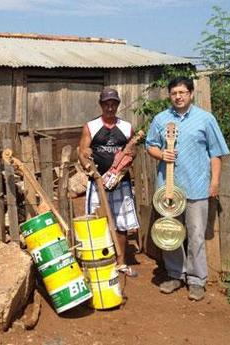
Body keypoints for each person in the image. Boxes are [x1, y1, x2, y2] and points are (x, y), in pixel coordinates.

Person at [145, 76, 230, 301]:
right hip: (169, 187)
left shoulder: (205, 119)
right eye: (174, 93)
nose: (178, 97)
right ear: (170, 95)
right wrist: (161, 153)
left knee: (196, 234)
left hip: (198, 185)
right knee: (170, 232)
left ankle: (196, 280)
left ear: (191, 94)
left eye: (182, 92)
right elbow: (150, 145)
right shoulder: (161, 119)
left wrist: (214, 182)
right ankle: (175, 274)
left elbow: (216, 153)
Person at [78, 88, 140, 277]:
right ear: (101, 105)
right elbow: (82, 151)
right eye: (106, 103)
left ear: (118, 105)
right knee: (96, 222)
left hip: (120, 182)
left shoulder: (127, 127)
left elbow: (133, 151)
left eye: (113, 103)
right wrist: (89, 165)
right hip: (97, 182)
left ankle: (120, 263)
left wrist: (126, 161)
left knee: (121, 223)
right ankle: (97, 262)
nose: (110, 107)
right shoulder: (91, 126)